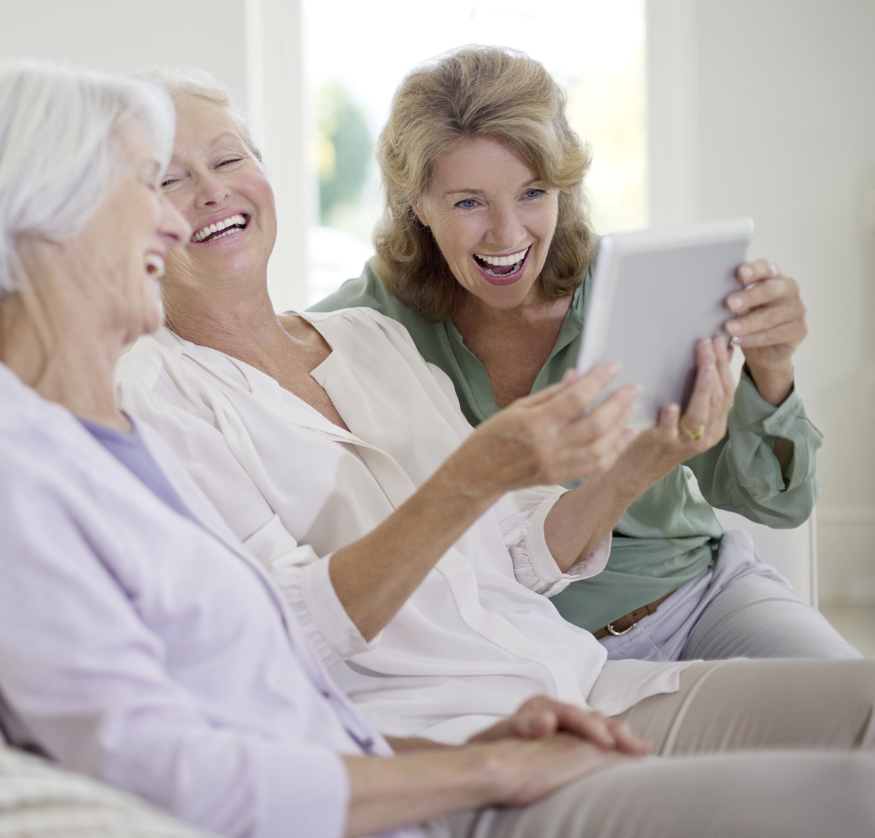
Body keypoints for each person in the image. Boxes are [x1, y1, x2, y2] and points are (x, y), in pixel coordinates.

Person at [0, 60, 875, 838]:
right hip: (457, 757)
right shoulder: (55, 433)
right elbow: (224, 707)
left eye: (228, 159)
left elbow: (478, 574)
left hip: (538, 695)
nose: (177, 209)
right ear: (37, 217)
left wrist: (637, 466)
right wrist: (476, 760)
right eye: (149, 181)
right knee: (849, 800)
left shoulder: (314, 359)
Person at [310, 46, 855, 662]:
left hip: (699, 600)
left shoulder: (633, 290)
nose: (509, 233)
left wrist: (772, 367)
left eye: (533, 193)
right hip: (526, 653)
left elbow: (776, 504)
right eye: (469, 202)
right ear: (418, 202)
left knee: (854, 708)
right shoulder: (361, 325)